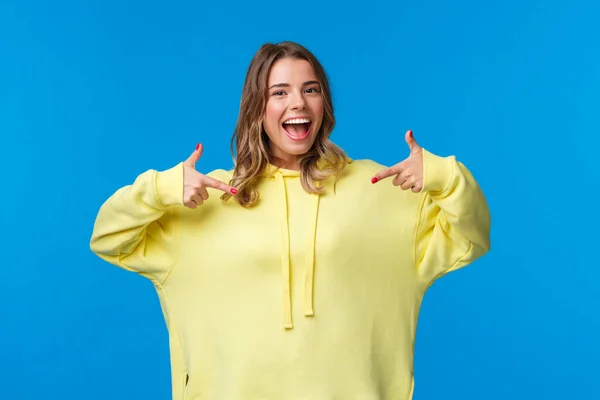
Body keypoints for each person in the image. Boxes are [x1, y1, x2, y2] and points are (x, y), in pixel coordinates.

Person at [90, 41, 491, 400]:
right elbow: (108, 237)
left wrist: (443, 176)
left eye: (310, 90)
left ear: (324, 104)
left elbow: (471, 237)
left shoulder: (381, 189)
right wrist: (161, 189)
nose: (297, 102)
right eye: (279, 92)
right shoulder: (206, 199)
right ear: (256, 108)